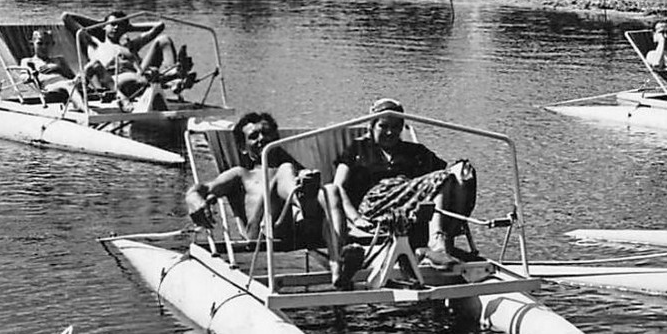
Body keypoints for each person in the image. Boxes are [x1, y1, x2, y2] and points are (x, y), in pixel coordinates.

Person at [321, 99, 477, 289]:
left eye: (395, 127)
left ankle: (440, 240)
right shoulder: (358, 148)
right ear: (371, 126)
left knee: (458, 172)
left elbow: (448, 176)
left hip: (405, 211)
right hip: (374, 206)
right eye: (383, 126)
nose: (390, 132)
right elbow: (338, 188)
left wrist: (462, 173)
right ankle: (437, 241)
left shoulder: (414, 151)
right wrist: (355, 218)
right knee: (441, 178)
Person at [185, 112, 317, 245]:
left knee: (328, 189)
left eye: (266, 133)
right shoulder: (241, 175)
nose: (261, 138)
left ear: (277, 138)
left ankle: (335, 259)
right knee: (285, 169)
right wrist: (192, 196)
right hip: (259, 237)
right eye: (253, 136)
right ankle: (300, 197)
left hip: (294, 233)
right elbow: (205, 188)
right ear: (243, 148)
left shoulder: (296, 172)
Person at [18, 28, 84, 108]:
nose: (44, 47)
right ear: (32, 44)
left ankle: (101, 95)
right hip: (50, 87)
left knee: (92, 67)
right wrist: (31, 76)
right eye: (40, 43)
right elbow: (23, 76)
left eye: (47, 43)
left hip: (69, 82)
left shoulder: (59, 60)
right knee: (68, 84)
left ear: (52, 44)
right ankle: (84, 108)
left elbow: (71, 76)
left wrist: (58, 68)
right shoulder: (28, 61)